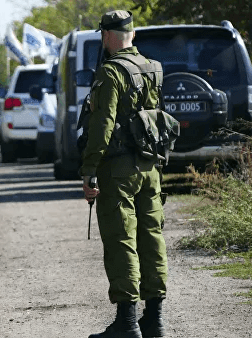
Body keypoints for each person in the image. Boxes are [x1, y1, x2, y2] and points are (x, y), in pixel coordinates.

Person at [81, 10, 168, 338]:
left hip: (118, 172)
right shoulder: (153, 68)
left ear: (106, 35)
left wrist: (89, 171)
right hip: (150, 168)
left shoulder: (110, 72)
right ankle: (154, 320)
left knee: (122, 241)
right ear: (131, 34)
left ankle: (128, 324)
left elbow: (102, 125)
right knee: (152, 239)